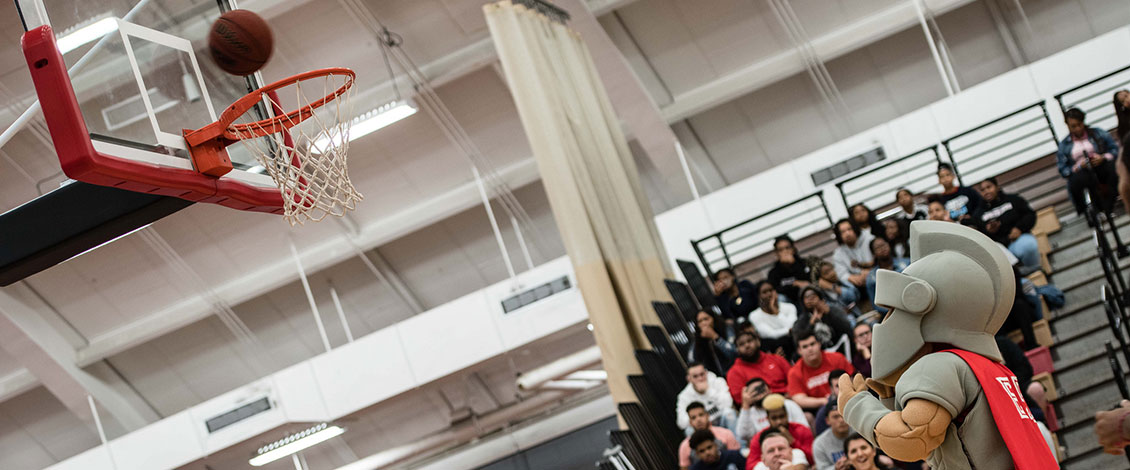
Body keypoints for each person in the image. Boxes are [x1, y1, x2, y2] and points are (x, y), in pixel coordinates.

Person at [838, 221, 1057, 469]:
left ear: (924, 308)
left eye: (893, 311)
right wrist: (890, 400)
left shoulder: (938, 366)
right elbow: (939, 445)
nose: (886, 321)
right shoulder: (983, 364)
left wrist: (856, 406)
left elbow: (910, 441)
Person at [1057, 107, 1119, 216]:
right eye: (1073, 126)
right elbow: (1063, 170)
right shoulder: (1064, 145)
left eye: (1079, 124)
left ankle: (1109, 205)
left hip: (1101, 166)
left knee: (1112, 168)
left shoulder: (1098, 133)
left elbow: (1114, 149)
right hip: (1082, 173)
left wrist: (1103, 157)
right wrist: (1078, 167)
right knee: (1080, 180)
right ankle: (1092, 211)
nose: (1077, 129)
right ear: (1067, 125)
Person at [975, 177, 1040, 274]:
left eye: (989, 187)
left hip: (1018, 240)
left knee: (1028, 245)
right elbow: (980, 236)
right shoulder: (978, 213)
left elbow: (1030, 215)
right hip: (1000, 249)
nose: (986, 191)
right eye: (982, 190)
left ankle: (1034, 270)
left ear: (997, 187)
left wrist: (1019, 228)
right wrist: (989, 231)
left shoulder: (1013, 199)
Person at [788, 327, 854, 410]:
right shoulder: (794, 372)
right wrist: (824, 401)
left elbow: (852, 379)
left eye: (812, 344)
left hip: (846, 400)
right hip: (819, 409)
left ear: (819, 344)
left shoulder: (837, 358)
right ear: (799, 351)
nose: (810, 349)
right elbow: (799, 399)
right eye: (805, 346)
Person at [747, 394, 816, 466]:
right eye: (774, 418)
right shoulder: (759, 438)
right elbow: (750, 466)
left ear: (787, 415)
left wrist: (793, 442)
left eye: (782, 416)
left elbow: (813, 458)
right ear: (768, 419)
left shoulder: (802, 430)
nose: (779, 421)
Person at [737, 377, 809, 444]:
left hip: (794, 442)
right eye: (755, 390)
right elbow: (743, 435)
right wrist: (745, 405)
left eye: (761, 388)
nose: (759, 392)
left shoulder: (788, 404)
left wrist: (792, 440)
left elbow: (804, 429)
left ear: (770, 389)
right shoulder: (750, 412)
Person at [727, 330, 792, 402]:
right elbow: (740, 400)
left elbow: (793, 379)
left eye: (749, 341)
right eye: (741, 344)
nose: (747, 345)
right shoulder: (734, 372)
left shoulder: (776, 359)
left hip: (788, 398)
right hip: (759, 406)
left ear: (758, 342)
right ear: (737, 350)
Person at [681, 402, 742, 469]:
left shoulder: (726, 433)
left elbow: (735, 457)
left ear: (707, 415)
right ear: (690, 422)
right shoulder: (684, 446)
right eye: (693, 418)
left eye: (701, 415)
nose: (698, 420)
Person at [678, 362, 737, 431]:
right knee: (689, 430)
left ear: (706, 373)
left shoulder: (718, 382)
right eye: (695, 376)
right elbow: (681, 423)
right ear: (689, 379)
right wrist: (701, 418)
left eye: (702, 374)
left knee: (729, 414)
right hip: (703, 428)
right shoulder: (684, 396)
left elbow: (728, 403)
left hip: (721, 419)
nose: (700, 378)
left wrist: (708, 391)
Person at [750, 281, 799, 358]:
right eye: (764, 292)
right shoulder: (754, 315)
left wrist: (776, 312)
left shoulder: (790, 307)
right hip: (772, 348)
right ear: (759, 296)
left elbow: (793, 328)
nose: (769, 294)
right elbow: (771, 334)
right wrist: (788, 331)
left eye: (771, 290)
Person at [864, 237, 910, 314]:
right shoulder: (872, 278)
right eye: (878, 247)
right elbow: (876, 305)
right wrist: (896, 309)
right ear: (873, 253)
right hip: (891, 313)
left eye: (883, 245)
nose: (882, 248)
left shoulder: (906, 263)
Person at [690, 310, 737, 377]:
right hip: (715, 379)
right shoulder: (696, 342)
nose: (704, 323)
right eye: (700, 321)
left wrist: (715, 337)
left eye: (706, 319)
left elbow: (733, 352)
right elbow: (692, 361)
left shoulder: (726, 329)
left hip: (734, 371)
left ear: (713, 319)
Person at [768, 235, 812, 305]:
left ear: (793, 249)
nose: (785, 252)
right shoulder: (773, 273)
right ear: (776, 253)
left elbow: (808, 281)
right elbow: (776, 290)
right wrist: (795, 284)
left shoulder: (804, 263)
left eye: (787, 248)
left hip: (807, 298)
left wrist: (793, 265)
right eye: (780, 250)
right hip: (789, 304)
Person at [831, 219, 873, 290]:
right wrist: (851, 277)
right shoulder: (838, 254)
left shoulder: (870, 240)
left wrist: (871, 272)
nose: (847, 234)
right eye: (843, 232)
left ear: (855, 229)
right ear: (839, 235)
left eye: (849, 229)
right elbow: (841, 274)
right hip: (858, 285)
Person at [812, 403, 853, 470]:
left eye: (843, 415)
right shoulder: (819, 443)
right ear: (827, 421)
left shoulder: (862, 433)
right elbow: (822, 468)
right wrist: (835, 468)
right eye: (835, 417)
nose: (841, 420)